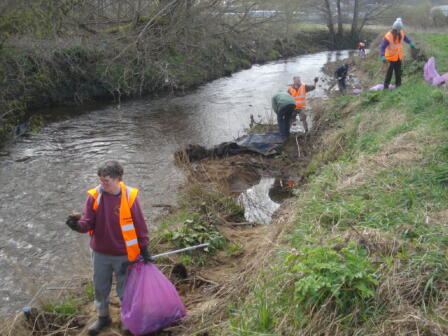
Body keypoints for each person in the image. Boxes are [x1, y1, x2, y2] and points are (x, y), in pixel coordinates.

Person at [65, 160, 150, 335]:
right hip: (100, 253)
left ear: (118, 178)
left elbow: (140, 225)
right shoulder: (94, 196)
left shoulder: (130, 197)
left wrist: (144, 248)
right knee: (100, 287)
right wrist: (76, 225)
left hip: (123, 253)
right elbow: (86, 223)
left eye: (106, 180)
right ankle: (103, 317)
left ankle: (127, 318)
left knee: (124, 289)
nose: (102, 184)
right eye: (100, 179)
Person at [380, 18, 416, 89]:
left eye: (400, 30)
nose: (399, 31)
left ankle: (398, 85)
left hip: (398, 57)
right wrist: (382, 56)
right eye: (397, 30)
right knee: (389, 73)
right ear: (394, 29)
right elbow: (382, 47)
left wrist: (410, 43)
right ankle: (386, 87)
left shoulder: (401, 33)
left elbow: (406, 38)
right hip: (390, 58)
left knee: (398, 72)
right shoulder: (388, 36)